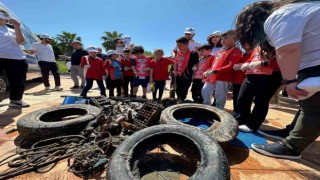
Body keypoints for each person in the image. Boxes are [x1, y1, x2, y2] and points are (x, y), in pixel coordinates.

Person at [235, 0, 320, 160]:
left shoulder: (280, 15)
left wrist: (289, 81)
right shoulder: (304, 9)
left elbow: (288, 50)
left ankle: (290, 147)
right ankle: (289, 132)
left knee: (313, 109)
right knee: (308, 106)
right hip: (312, 63)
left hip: (314, 65)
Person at [201, 30, 242, 109]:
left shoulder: (236, 50)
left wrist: (215, 71)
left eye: (226, 38)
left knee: (220, 94)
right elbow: (212, 64)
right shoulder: (220, 51)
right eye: (222, 38)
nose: (222, 40)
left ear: (235, 39)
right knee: (205, 90)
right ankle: (206, 107)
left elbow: (231, 65)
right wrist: (208, 70)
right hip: (212, 75)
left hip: (223, 77)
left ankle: (219, 109)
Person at [0, 10, 29, 108]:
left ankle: (16, 100)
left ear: (6, 20)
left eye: (1, 18)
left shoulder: (12, 30)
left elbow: (21, 42)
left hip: (16, 58)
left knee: (18, 81)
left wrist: (17, 28)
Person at [232, 42, 253, 116]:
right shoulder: (241, 55)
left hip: (248, 79)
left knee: (245, 99)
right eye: (243, 42)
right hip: (237, 79)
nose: (244, 44)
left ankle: (244, 115)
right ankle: (236, 112)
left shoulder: (255, 54)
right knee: (236, 97)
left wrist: (242, 66)